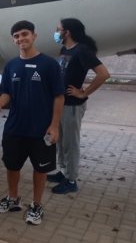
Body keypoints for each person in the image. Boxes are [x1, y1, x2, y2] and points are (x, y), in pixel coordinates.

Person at [0, 20, 64, 225]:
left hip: (41, 130)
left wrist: (54, 125)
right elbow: (6, 94)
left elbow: (59, 97)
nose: (20, 39)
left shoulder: (49, 65)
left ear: (34, 36)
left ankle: (36, 205)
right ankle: (13, 199)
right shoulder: (11, 65)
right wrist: (0, 104)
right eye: (16, 36)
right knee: (12, 166)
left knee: (40, 170)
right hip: (15, 128)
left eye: (24, 34)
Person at [47, 18, 110, 194]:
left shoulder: (82, 50)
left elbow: (103, 74)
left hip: (73, 105)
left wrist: (84, 92)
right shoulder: (65, 49)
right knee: (60, 140)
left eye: (58, 29)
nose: (56, 31)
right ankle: (64, 171)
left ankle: (71, 180)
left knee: (71, 143)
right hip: (60, 103)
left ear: (67, 32)